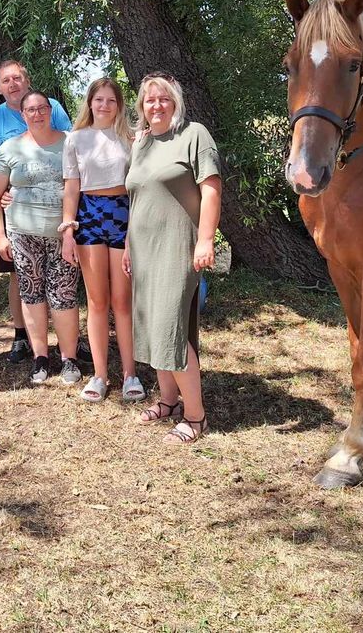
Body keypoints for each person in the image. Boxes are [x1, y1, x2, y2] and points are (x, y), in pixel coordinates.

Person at [125, 73, 221, 445]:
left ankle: (195, 417)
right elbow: (137, 197)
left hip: (178, 246)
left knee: (171, 328)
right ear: (142, 107)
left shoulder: (194, 135)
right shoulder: (142, 143)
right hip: (144, 250)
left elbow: (211, 189)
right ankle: (168, 400)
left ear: (176, 103)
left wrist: (206, 239)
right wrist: (130, 245)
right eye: (150, 100)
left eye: (164, 99)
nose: (157, 105)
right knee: (150, 327)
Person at [0, 60, 75, 363]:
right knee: (20, 279)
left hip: (58, 217)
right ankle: (23, 338)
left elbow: (71, 152)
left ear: (27, 80)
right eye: (6, 80)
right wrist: (2, 191)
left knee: (64, 284)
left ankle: (68, 345)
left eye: (17, 78)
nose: (13, 84)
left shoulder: (53, 107)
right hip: (17, 217)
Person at [59, 78, 144, 403]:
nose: (104, 106)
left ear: (119, 105)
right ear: (90, 103)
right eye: (99, 100)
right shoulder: (75, 139)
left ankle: (130, 374)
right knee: (96, 301)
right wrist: (68, 230)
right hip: (89, 215)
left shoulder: (132, 138)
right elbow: (71, 187)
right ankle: (99, 375)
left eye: (111, 100)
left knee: (122, 301)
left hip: (123, 214)